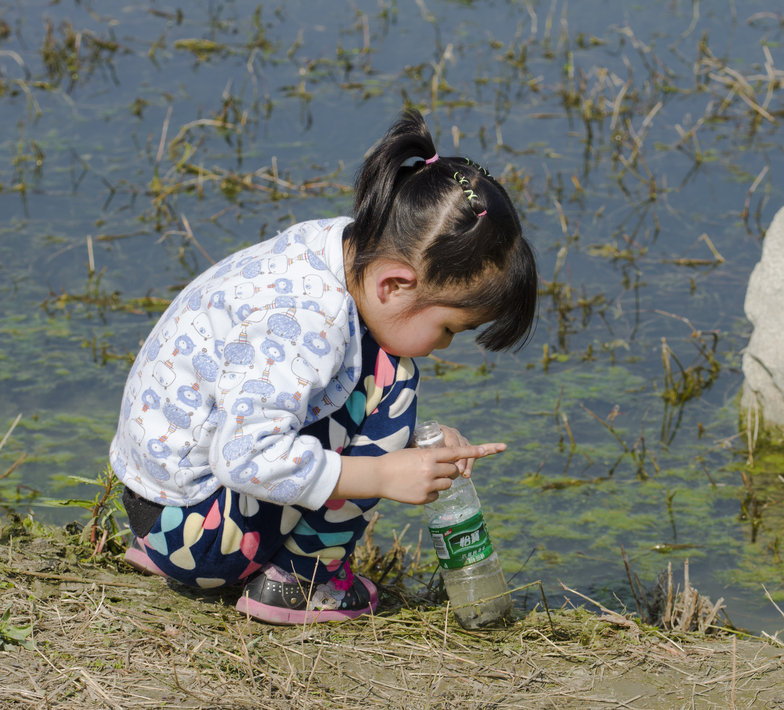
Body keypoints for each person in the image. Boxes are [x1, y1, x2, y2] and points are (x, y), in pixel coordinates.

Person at [109, 107, 538, 624]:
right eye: (449, 328)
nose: (444, 345)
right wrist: (381, 473)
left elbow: (293, 400)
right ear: (395, 285)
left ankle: (200, 556)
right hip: (197, 534)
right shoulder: (308, 321)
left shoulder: (337, 249)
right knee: (392, 377)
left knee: (377, 363)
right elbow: (246, 457)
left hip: (158, 511)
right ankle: (305, 580)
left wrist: (417, 446)